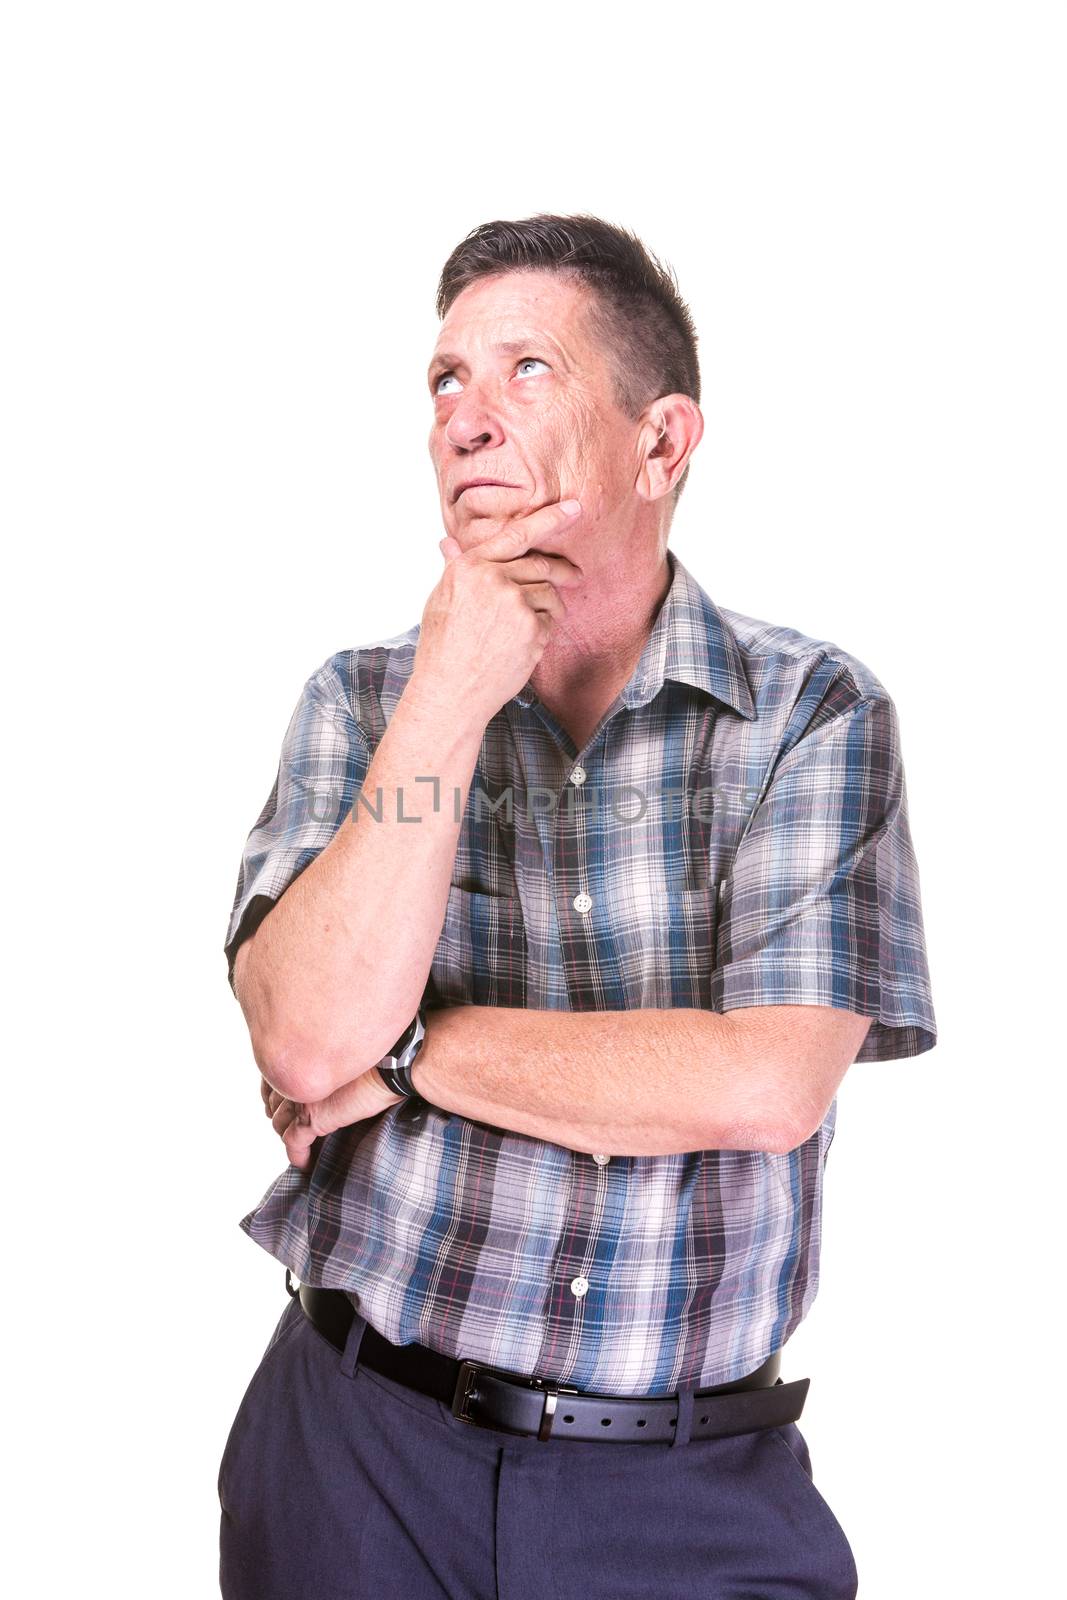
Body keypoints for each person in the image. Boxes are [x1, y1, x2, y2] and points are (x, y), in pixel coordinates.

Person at [217, 213, 937, 1599]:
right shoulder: (362, 704)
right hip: (352, 1460)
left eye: (525, 369)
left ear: (663, 444)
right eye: (443, 382)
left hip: (684, 1500)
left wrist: (411, 1053)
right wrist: (450, 691)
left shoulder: (810, 715)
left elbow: (764, 1083)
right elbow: (307, 1047)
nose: (466, 419)